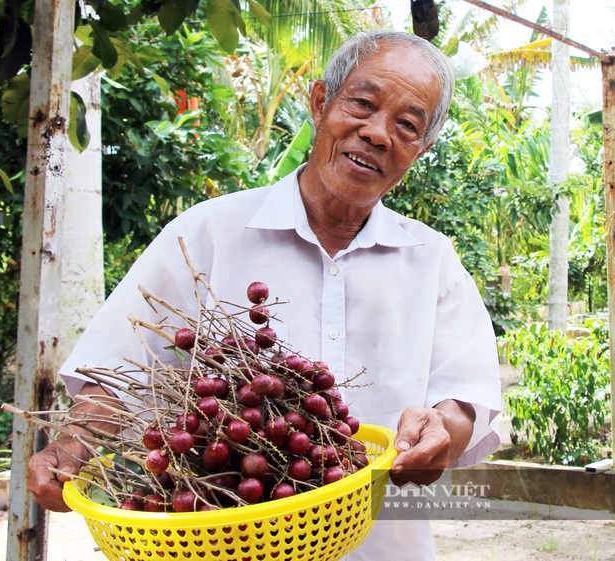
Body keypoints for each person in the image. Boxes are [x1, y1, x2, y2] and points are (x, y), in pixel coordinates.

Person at [27, 30, 501, 560]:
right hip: (221, 541)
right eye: (362, 105)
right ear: (321, 102)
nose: (377, 134)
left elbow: (464, 396)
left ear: (422, 148)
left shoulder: (431, 259)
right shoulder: (207, 235)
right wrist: (75, 442)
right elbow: (119, 373)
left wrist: (443, 430)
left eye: (407, 125)